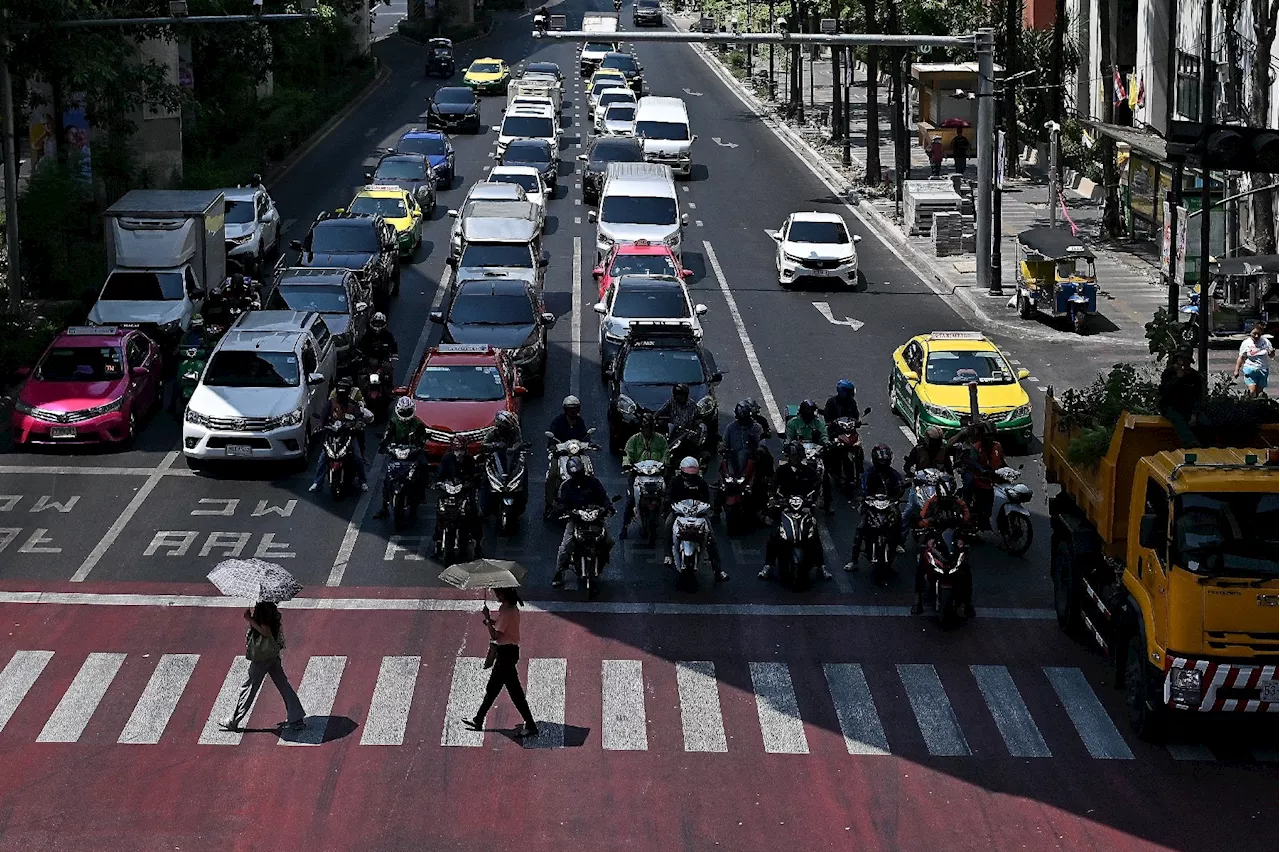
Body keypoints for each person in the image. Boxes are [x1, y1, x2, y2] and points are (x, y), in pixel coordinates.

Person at [462, 587, 538, 738]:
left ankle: (530, 725)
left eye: (498, 592)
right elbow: (502, 626)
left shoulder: (507, 611)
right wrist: (490, 621)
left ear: (505, 594)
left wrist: (487, 618)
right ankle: (478, 719)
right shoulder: (510, 608)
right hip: (509, 653)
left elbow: (495, 635)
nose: (495, 594)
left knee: (507, 691)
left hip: (506, 654)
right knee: (496, 689)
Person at [220, 602, 306, 732]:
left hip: (262, 656)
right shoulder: (271, 606)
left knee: (249, 687)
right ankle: (296, 718)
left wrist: (249, 619)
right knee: (283, 684)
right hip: (272, 653)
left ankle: (234, 721)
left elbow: (265, 632)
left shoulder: (263, 607)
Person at [760, 441, 829, 580]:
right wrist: (773, 500)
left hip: (804, 509)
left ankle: (821, 566)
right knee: (775, 533)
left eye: (797, 455)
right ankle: (768, 565)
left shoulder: (809, 471)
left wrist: (813, 502)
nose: (794, 458)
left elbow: (816, 488)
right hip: (784, 508)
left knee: (813, 535)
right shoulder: (781, 471)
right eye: (792, 456)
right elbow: (773, 487)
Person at [913, 476, 973, 616]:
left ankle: (968, 602)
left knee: (966, 570)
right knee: (921, 566)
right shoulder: (932, 502)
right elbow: (921, 519)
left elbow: (967, 518)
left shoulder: (959, 503)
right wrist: (927, 522)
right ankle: (917, 600)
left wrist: (965, 525)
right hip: (934, 538)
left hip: (954, 540)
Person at [663, 457, 726, 581]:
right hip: (679, 513)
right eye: (687, 474)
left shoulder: (701, 482)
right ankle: (668, 555)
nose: (690, 477)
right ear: (682, 472)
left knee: (711, 538)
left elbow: (708, 499)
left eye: (692, 474)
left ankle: (717, 570)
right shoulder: (675, 481)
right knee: (668, 524)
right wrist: (671, 505)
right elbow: (669, 496)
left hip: (698, 514)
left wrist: (708, 507)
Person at [553, 456, 613, 586]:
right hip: (576, 520)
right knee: (565, 547)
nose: (577, 476)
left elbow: (604, 498)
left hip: (596, 519)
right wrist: (572, 512)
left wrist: (605, 509)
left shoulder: (594, 482)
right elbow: (561, 504)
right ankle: (558, 573)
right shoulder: (566, 486)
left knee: (609, 540)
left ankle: (603, 558)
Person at [846, 444, 907, 571]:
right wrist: (864, 498)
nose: (883, 463)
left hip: (888, 505)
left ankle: (898, 542)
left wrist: (897, 496)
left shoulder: (893, 474)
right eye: (881, 461)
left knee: (898, 518)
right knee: (860, 528)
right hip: (871, 506)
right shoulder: (869, 474)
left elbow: (900, 486)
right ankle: (854, 560)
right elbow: (862, 487)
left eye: (885, 461)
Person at [309, 381, 372, 492]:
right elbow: (323, 417)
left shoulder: (353, 405)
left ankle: (363, 481)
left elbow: (359, 418)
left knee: (358, 457)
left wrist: (357, 425)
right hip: (332, 435)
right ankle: (317, 482)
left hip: (348, 436)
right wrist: (321, 425)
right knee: (323, 457)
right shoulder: (330, 404)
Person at [373, 396, 428, 519]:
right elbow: (387, 436)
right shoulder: (393, 422)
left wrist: (419, 446)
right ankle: (384, 507)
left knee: (424, 466)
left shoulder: (418, 424)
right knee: (388, 477)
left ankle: (421, 494)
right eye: (403, 412)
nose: (405, 415)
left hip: (412, 453)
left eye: (407, 412)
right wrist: (384, 446)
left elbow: (423, 439)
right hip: (397, 453)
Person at [620, 413, 670, 536]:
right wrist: (627, 464)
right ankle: (624, 527)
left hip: (656, 473)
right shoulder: (634, 440)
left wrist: (665, 464)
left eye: (650, 427)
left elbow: (666, 453)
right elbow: (627, 455)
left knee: (668, 496)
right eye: (646, 427)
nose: (648, 430)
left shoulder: (660, 439)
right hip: (638, 474)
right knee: (631, 499)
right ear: (641, 428)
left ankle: (668, 521)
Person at [434, 436, 482, 557]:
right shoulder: (446, 459)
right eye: (457, 451)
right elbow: (439, 474)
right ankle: (438, 543)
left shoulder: (469, 460)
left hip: (464, 492)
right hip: (449, 491)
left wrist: (471, 482)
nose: (459, 453)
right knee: (440, 515)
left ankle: (478, 544)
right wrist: (438, 483)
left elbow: (475, 474)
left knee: (474, 514)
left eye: (461, 451)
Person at [958, 422, 1004, 530]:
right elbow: (974, 462)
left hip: (993, 477)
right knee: (969, 485)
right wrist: (982, 470)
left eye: (991, 436)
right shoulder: (975, 447)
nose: (990, 439)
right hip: (979, 477)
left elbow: (1002, 462)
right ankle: (967, 510)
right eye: (987, 436)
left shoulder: (998, 446)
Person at [1158, 351, 1205, 446]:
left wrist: (1194, 413)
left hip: (1188, 407)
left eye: (1186, 360)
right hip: (1170, 406)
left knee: (1204, 421)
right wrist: (1177, 378)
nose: (1183, 363)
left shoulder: (1195, 376)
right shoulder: (1169, 373)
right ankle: (1191, 443)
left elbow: (1198, 397)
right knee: (1178, 420)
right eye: (1181, 360)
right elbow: (1164, 392)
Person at [1235, 321, 1276, 398]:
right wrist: (1236, 370)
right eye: (1254, 333)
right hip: (1250, 369)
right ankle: (1251, 406)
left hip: (1263, 369)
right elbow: (1241, 357)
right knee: (1252, 392)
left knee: (1259, 394)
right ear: (1251, 332)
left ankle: (1258, 407)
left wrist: (1272, 353)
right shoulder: (1246, 343)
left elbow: (1271, 355)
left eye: (1259, 334)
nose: (1256, 336)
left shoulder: (1266, 342)